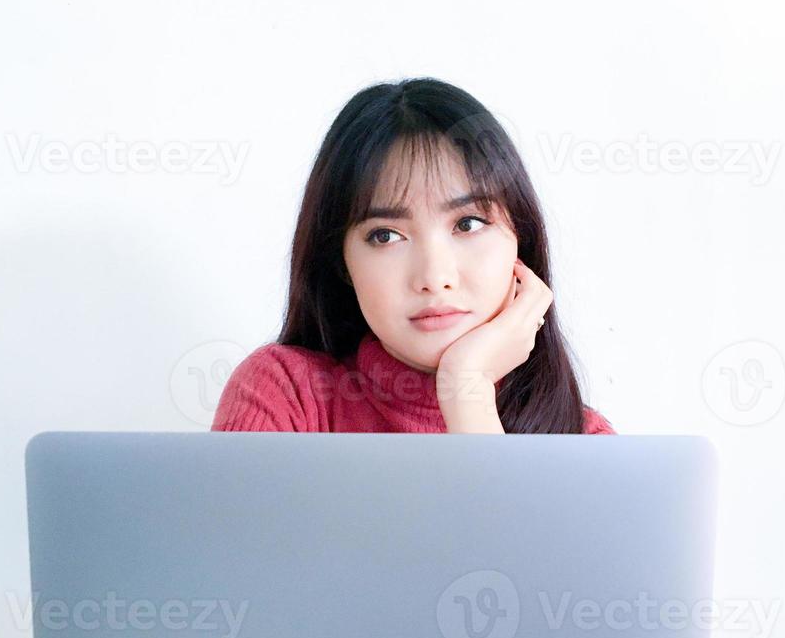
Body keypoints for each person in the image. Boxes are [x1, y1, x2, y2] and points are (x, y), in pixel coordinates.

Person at [211, 76, 615, 435]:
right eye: (386, 235)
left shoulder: (585, 445)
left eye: (469, 224)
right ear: (342, 263)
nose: (434, 276)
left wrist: (467, 392)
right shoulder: (285, 396)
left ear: (520, 243)